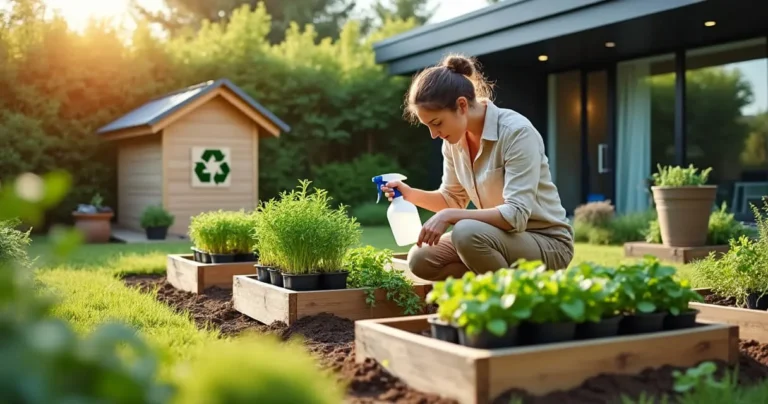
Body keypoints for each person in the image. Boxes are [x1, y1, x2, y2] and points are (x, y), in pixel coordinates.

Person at [380, 54, 574, 281]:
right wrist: (409, 194)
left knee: (465, 232)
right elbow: (452, 198)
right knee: (421, 258)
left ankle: (511, 303)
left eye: (437, 123)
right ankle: (484, 292)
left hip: (545, 241)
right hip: (495, 238)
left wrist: (449, 216)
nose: (434, 135)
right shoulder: (453, 142)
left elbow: (516, 216)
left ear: (462, 105)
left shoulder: (516, 132)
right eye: (428, 127)